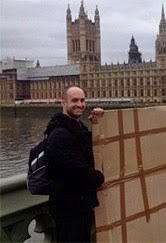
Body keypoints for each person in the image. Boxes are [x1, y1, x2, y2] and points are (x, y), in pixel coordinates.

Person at [45, 86, 105, 242]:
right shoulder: (59, 134)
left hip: (80, 203)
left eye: (82, 100)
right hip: (68, 206)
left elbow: (90, 147)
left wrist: (98, 122)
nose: (80, 104)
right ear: (63, 103)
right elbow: (76, 169)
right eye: (75, 100)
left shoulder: (78, 126)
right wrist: (99, 177)